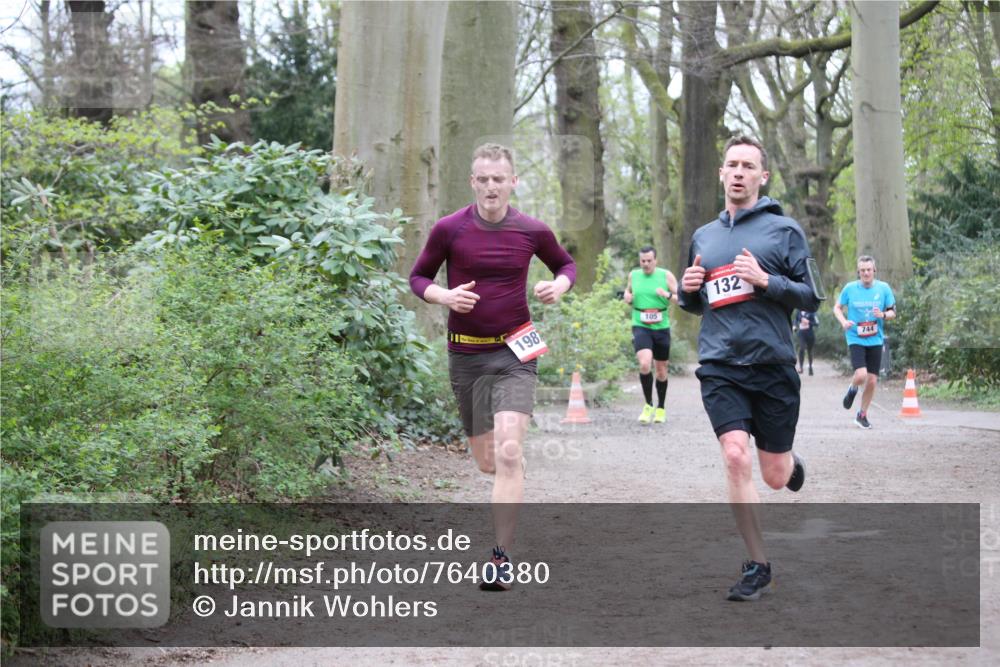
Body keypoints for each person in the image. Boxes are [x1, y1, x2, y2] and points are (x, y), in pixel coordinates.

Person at [409, 143, 576, 591]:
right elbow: (417, 277)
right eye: (482, 179)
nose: (490, 186)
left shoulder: (531, 229)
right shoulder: (450, 229)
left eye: (498, 178)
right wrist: (443, 296)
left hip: (515, 353)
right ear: (472, 182)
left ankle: (501, 558)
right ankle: (510, 475)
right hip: (465, 355)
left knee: (507, 451)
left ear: (513, 182)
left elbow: (565, 264)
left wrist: (558, 286)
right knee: (488, 462)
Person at [679, 135, 822, 601]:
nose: (738, 172)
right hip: (721, 364)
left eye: (748, 166)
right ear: (722, 174)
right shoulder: (704, 236)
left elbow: (811, 295)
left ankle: (789, 463)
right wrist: (687, 290)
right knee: (735, 454)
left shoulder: (785, 232)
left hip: (773, 364)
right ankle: (758, 563)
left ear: (763, 177)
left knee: (775, 476)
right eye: (731, 165)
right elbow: (697, 304)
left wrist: (767, 281)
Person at [832, 255, 896, 429]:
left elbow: (892, 312)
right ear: (858, 272)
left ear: (874, 270)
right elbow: (837, 307)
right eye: (862, 270)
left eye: (869, 270)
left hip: (875, 338)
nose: (866, 273)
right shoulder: (850, 288)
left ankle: (862, 415)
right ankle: (853, 388)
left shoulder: (883, 288)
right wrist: (844, 322)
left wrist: (882, 315)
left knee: (873, 380)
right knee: (861, 375)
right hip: (855, 337)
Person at [623, 246, 678, 424]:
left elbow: (682, 298)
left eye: (649, 260)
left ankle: (660, 408)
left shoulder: (665, 275)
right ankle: (648, 405)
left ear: (655, 260)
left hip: (661, 327)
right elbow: (628, 291)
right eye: (642, 261)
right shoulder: (634, 275)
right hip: (640, 324)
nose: (645, 264)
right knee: (645, 363)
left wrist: (667, 294)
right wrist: (627, 296)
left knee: (661, 370)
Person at [794, 309, 819, 375]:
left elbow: (817, 323)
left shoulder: (812, 312)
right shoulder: (798, 311)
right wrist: (794, 326)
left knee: (809, 351)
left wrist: (808, 322)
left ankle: (810, 367)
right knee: (802, 348)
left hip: (810, 333)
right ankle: (801, 367)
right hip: (801, 333)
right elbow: (796, 320)